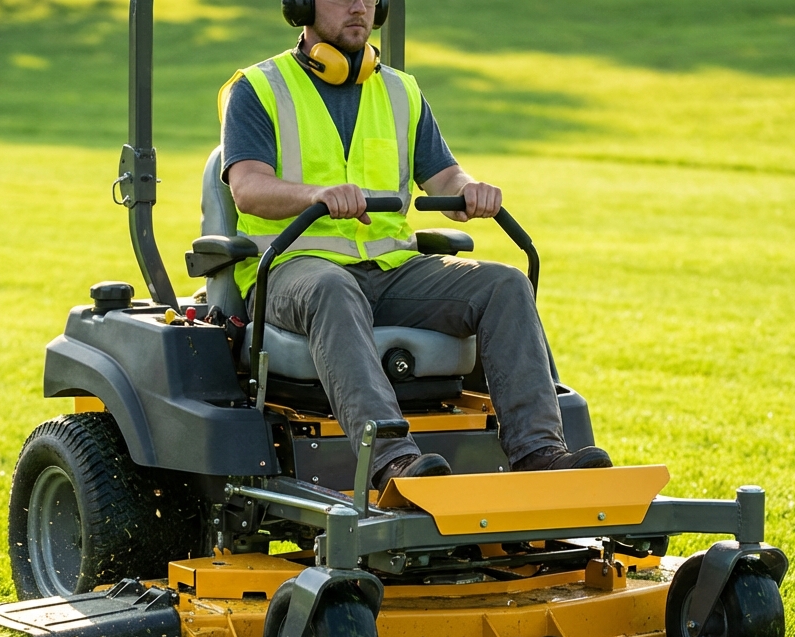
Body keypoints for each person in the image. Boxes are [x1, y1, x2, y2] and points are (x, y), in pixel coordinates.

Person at [221, 0, 612, 491]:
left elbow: (443, 175)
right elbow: (248, 187)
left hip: (391, 269)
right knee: (333, 289)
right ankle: (393, 463)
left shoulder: (400, 90)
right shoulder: (258, 88)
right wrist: (316, 195)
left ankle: (539, 453)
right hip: (293, 272)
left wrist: (468, 188)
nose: (359, 5)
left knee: (504, 284)